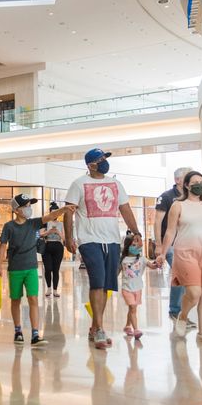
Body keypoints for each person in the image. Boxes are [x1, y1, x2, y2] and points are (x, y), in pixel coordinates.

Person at [64, 148, 142, 351]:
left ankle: (94, 326)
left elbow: (125, 209)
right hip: (89, 240)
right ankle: (99, 328)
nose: (105, 162)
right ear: (90, 164)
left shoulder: (116, 184)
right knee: (97, 281)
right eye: (101, 159)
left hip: (113, 240)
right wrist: (69, 237)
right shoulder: (79, 184)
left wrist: (136, 232)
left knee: (106, 285)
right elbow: (68, 213)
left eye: (105, 159)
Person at [157, 171, 202, 345]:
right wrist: (162, 252)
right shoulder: (178, 205)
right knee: (194, 292)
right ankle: (182, 316)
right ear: (187, 185)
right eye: (195, 182)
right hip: (185, 252)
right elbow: (170, 231)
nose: (199, 185)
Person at [0, 194, 75, 346]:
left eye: (29, 205)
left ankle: (35, 334)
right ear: (16, 210)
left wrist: (64, 209)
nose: (29, 208)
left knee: (33, 299)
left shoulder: (33, 223)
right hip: (15, 269)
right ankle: (18, 330)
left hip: (31, 268)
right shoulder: (9, 227)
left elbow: (50, 215)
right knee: (16, 300)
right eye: (25, 206)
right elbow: (2, 246)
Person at [154, 167, 195, 327]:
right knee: (181, 275)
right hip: (170, 244)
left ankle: (179, 313)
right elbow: (158, 221)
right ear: (178, 180)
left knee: (186, 278)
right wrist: (159, 245)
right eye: (187, 177)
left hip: (189, 243)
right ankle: (175, 311)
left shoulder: (191, 198)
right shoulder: (166, 197)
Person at [120, 233, 158, 340]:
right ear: (128, 246)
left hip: (137, 289)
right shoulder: (123, 260)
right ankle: (136, 330)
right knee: (132, 307)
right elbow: (115, 273)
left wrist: (157, 264)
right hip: (127, 289)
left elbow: (152, 266)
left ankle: (128, 326)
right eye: (134, 243)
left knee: (132, 309)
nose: (137, 245)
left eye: (138, 242)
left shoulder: (142, 259)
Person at [42, 201, 66, 297]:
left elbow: (64, 238)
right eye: (53, 212)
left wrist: (57, 232)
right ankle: (48, 289)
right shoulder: (45, 222)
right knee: (48, 269)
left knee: (56, 269)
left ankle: (55, 290)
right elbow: (41, 234)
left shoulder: (61, 224)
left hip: (58, 247)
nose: (55, 214)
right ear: (50, 212)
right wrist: (49, 231)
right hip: (47, 246)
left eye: (57, 212)